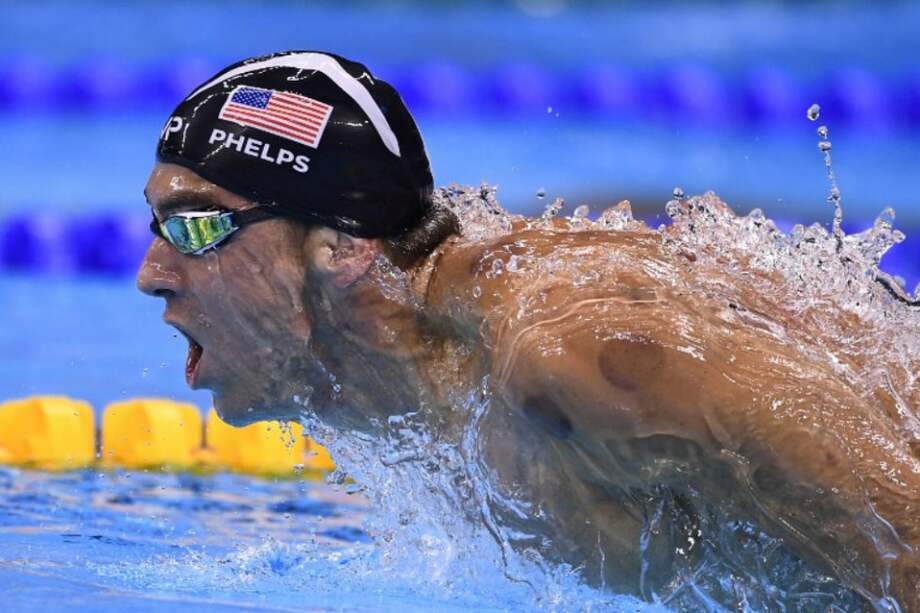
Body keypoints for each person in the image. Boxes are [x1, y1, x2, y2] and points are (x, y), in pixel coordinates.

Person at [137, 51, 919, 609]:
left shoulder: (578, 354)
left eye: (196, 227)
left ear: (341, 246)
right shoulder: (436, 396)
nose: (151, 272)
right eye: (156, 226)